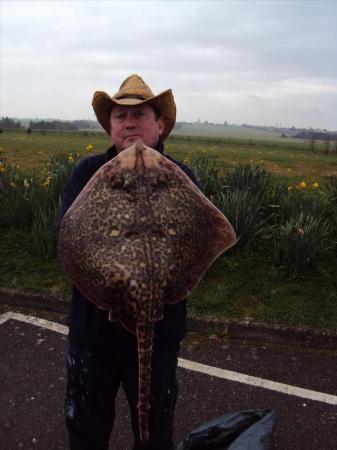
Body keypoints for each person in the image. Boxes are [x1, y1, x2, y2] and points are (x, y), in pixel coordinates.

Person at [57, 74, 202, 450]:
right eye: (120, 115)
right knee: (86, 431)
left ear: (160, 124)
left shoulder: (182, 176)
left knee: (154, 435)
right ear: (111, 126)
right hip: (94, 329)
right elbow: (67, 235)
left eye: (140, 113)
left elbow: (201, 238)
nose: (130, 122)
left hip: (160, 325)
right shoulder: (88, 173)